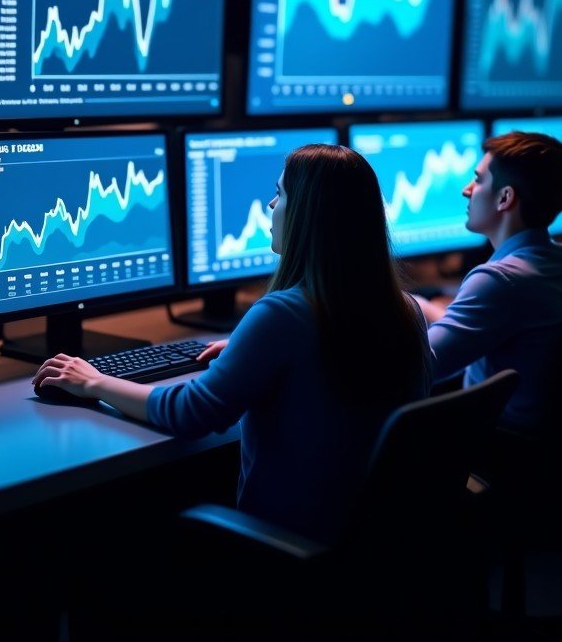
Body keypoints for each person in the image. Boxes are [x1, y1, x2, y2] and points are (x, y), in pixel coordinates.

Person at [33, 143, 433, 545]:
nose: (272, 204)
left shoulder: (283, 314)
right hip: (373, 546)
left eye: (281, 194)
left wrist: (93, 382)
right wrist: (251, 353)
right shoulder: (404, 310)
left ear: (305, 216)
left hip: (291, 546)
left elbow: (190, 413)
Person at [414, 130, 562, 432]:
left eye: (478, 179)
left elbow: (420, 369)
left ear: (505, 198)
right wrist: (420, 304)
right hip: (547, 438)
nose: (467, 189)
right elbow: (486, 322)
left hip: (496, 442)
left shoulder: (499, 281)